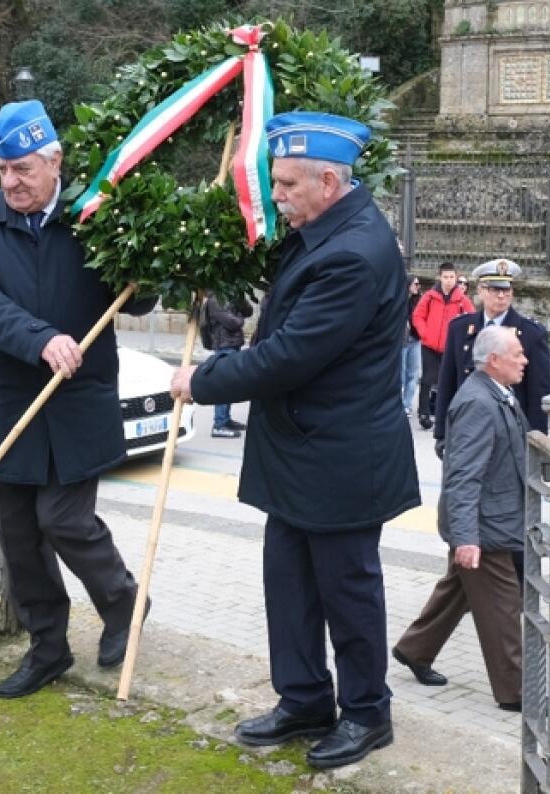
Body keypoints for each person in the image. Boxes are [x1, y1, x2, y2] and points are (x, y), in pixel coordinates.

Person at [169, 111, 419, 769]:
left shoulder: (354, 254)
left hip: (338, 457)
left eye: (285, 185)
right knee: (289, 584)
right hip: (301, 450)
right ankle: (304, 697)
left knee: (347, 592)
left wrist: (203, 379)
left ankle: (366, 713)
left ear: (330, 180)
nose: (276, 196)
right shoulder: (324, 230)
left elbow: (288, 357)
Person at [0, 99, 157, 699]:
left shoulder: (94, 214)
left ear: (54, 161)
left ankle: (124, 604)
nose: (10, 182)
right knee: (19, 535)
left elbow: (138, 301)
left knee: (63, 519)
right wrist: (40, 340)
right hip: (9, 398)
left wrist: (151, 267)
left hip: (79, 399)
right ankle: (48, 647)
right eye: (2, 169)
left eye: (22, 169)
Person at [392, 326, 527, 712]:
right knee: (503, 608)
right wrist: (468, 539)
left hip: (491, 521)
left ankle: (414, 649)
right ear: (494, 361)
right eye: (517, 354)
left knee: (458, 590)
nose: (524, 360)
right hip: (486, 529)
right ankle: (516, 692)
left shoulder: (496, 393)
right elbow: (463, 476)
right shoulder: (479, 403)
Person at [432, 258, 550, 456]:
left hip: (511, 433)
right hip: (468, 429)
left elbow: (539, 392)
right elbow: (448, 383)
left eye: (507, 290)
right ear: (480, 291)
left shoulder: (531, 333)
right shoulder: (460, 328)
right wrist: (442, 433)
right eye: (494, 289)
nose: (502, 295)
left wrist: (536, 441)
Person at [411, 262, 473, 430]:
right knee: (427, 379)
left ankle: (445, 413)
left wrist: (460, 341)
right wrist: (425, 333)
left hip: (450, 348)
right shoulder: (430, 297)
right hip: (429, 345)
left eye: (452, 277)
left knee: (447, 381)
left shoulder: (462, 300)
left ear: (456, 277)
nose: (448, 280)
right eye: (445, 277)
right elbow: (418, 316)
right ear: (440, 277)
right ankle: (423, 413)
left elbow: (471, 322)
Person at [204, 292, 253, 438]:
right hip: (224, 346)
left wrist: (240, 299)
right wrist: (239, 317)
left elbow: (248, 311)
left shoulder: (231, 294)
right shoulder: (215, 298)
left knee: (230, 384)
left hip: (233, 344)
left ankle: (226, 419)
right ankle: (219, 425)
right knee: (223, 384)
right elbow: (233, 323)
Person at [401, 274, 422, 417]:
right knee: (400, 374)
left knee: (413, 373)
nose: (417, 286)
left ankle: (407, 404)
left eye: (418, 284)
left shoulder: (419, 301)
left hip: (415, 339)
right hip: (401, 341)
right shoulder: (400, 300)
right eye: (415, 283)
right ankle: (397, 403)